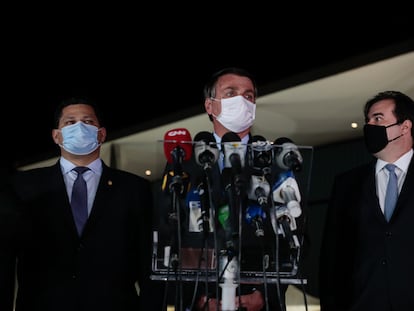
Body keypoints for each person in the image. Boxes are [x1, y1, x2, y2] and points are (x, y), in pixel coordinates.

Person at [155, 67, 299, 311]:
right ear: (210, 106)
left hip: (258, 302)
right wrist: (198, 297)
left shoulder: (273, 161)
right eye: (231, 93)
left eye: (249, 95)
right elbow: (169, 229)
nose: (242, 101)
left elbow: (293, 237)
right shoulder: (185, 162)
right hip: (200, 301)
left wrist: (264, 294)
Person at [2, 96, 154, 311]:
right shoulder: (23, 187)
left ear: (101, 134)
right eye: (70, 122)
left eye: (88, 121)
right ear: (56, 136)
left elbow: (147, 261)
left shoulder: (134, 188)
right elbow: (6, 258)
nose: (80, 127)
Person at [319, 90, 414, 311]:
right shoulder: (347, 183)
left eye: (378, 118)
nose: (369, 126)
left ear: (405, 127)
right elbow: (332, 257)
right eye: (368, 120)